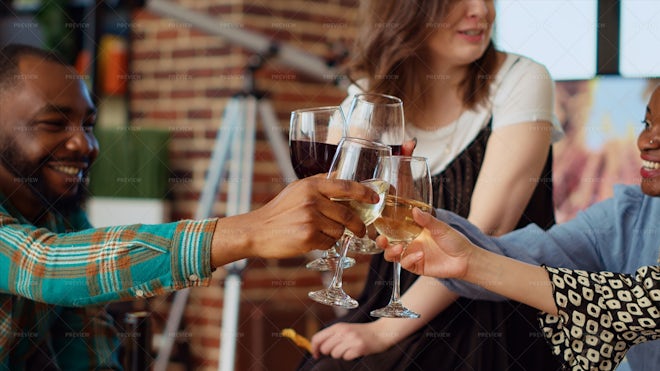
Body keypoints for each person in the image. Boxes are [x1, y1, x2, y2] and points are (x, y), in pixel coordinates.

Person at [0, 43, 380, 369]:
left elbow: (85, 347)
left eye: (88, 124)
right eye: (53, 124)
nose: (85, 145)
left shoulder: (60, 213)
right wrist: (251, 231)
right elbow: (46, 266)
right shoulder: (48, 235)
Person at [300, 1, 563, 369]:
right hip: (392, 295)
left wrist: (384, 331)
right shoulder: (376, 92)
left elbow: (484, 233)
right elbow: (349, 202)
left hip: (495, 309)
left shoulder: (523, 78)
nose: (480, 11)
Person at [379, 83, 660, 370]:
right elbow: (529, 259)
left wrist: (472, 262)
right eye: (647, 123)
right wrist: (426, 223)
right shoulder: (629, 212)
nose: (647, 141)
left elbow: (641, 304)